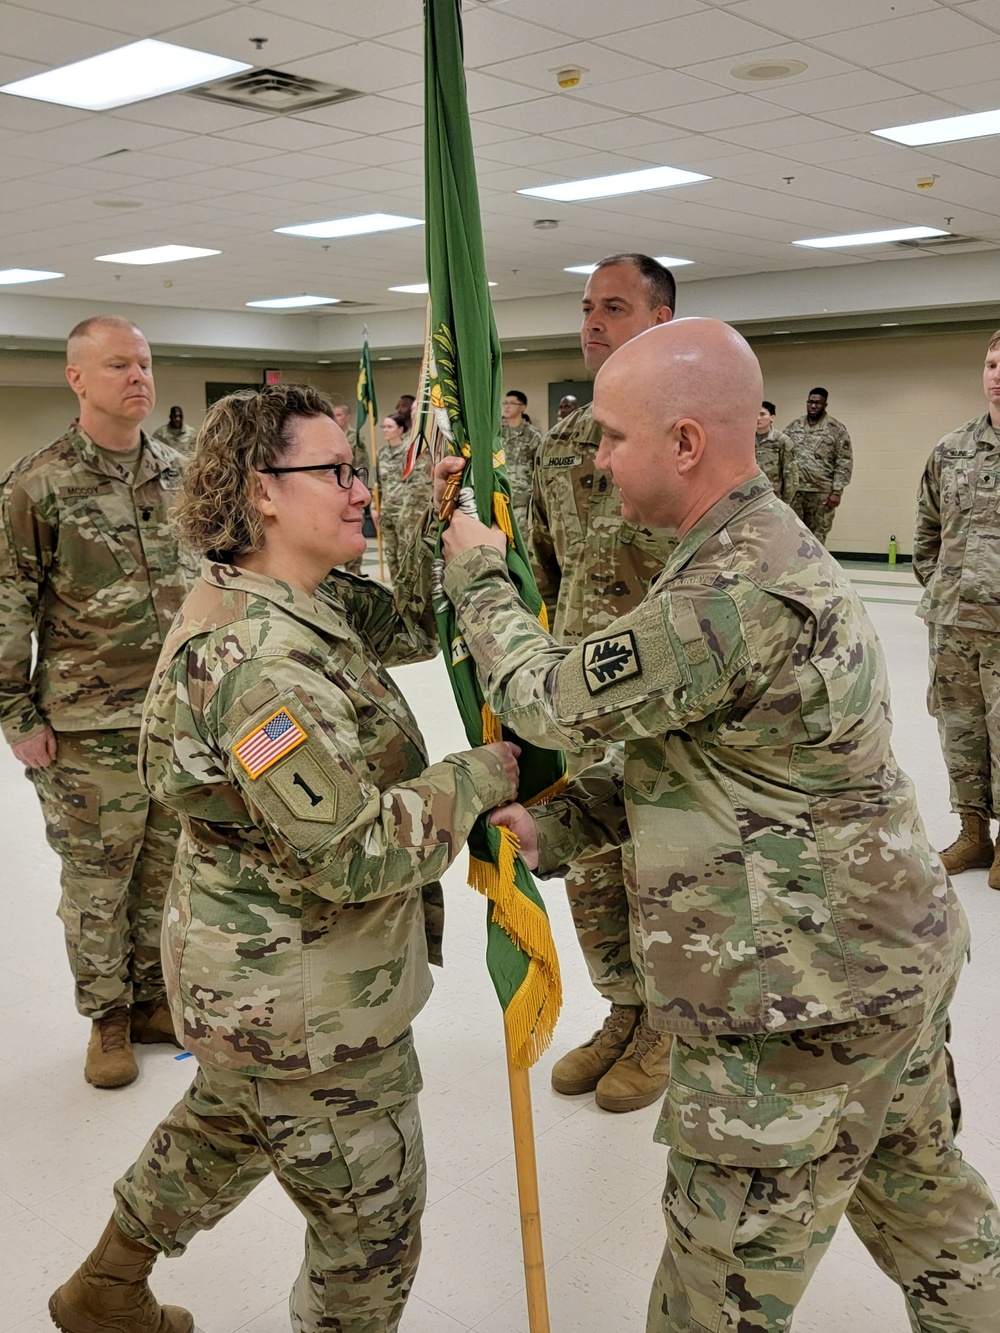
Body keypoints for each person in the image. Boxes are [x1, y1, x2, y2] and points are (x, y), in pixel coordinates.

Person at [435, 317, 1000, 1333]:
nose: (595, 457)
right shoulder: (746, 545)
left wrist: (478, 572)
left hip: (795, 1007)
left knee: (718, 1292)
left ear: (684, 441)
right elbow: (704, 761)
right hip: (883, 968)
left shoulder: (728, 588)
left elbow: (547, 697)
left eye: (609, 436)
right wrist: (556, 832)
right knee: (932, 1216)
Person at [49, 384, 520, 1333]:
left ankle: (104, 1287)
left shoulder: (299, 595)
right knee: (370, 1235)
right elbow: (349, 854)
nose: (359, 491)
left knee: (222, 1126)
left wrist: (443, 523)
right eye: (337, 472)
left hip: (260, 980)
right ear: (263, 490)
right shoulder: (255, 662)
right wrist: (476, 775)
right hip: (305, 1001)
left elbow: (415, 628)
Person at [0, 316, 190, 1088]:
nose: (138, 377)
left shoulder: (180, 473)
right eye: (118, 364)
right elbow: (8, 604)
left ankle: (150, 1000)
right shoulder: (35, 484)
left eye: (144, 363)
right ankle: (106, 1018)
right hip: (85, 726)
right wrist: (16, 714)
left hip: (175, 718)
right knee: (97, 881)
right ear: (77, 378)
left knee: (165, 871)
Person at [529, 253, 676, 1113]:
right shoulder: (561, 447)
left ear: (660, 320)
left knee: (658, 868)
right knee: (591, 873)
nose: (592, 322)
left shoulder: (693, 440)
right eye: (586, 306)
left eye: (614, 307)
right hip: (583, 702)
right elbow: (549, 574)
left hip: (663, 706)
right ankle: (621, 1007)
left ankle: (666, 1023)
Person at [914, 328, 1000, 884]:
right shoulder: (951, 449)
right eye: (992, 364)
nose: (998, 376)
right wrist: (942, 587)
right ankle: (974, 835)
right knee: (959, 730)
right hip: (952, 625)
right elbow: (926, 531)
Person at [783, 387, 852, 545]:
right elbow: (783, 455)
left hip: (822, 492)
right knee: (793, 534)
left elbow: (844, 461)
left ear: (825, 405)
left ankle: (816, 569)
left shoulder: (836, 430)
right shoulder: (794, 427)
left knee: (817, 537)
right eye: (810, 402)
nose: (813, 406)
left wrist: (837, 491)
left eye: (818, 403)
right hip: (796, 490)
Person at [375, 412, 430, 583]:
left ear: (400, 429)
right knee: (390, 553)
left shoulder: (409, 451)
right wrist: (374, 507)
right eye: (383, 426)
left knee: (404, 552)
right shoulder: (381, 453)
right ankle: (394, 587)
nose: (385, 430)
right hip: (386, 509)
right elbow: (378, 482)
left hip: (405, 511)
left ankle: (406, 589)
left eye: (389, 426)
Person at [332, 401, 368, 576]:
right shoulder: (329, 438)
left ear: (348, 417)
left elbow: (361, 467)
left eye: (339, 415)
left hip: (351, 488)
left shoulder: (356, 438)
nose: (336, 418)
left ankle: (354, 573)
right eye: (334, 415)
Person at [500, 389, 542, 531]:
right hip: (500, 497)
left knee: (523, 544)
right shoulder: (498, 434)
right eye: (505, 403)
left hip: (522, 501)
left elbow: (540, 468)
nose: (506, 406)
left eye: (511, 403)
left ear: (522, 407)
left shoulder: (532, 435)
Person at [754, 400, 797, 502]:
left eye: (762, 414)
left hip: (773, 495)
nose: (758, 418)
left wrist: (786, 501)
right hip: (751, 495)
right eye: (756, 414)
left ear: (772, 417)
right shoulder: (746, 439)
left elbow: (790, 473)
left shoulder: (782, 441)